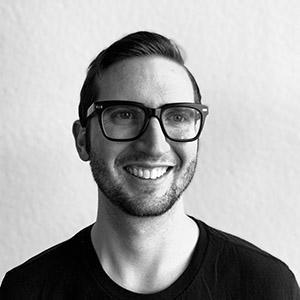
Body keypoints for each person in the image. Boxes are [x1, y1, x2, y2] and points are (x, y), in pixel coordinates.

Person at [1, 31, 299, 300]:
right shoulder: (26, 290)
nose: (155, 144)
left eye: (178, 116)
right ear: (83, 140)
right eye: (125, 115)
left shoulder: (266, 287)